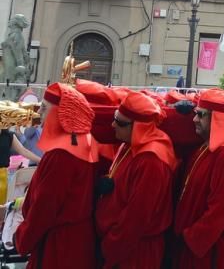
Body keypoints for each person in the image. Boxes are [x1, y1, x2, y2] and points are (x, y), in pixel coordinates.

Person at [15, 83, 99, 268]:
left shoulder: (61, 154)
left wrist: (21, 239)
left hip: (58, 246)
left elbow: (45, 207)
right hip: (79, 239)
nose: (40, 114)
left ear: (62, 112)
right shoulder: (86, 140)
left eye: (44, 108)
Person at [96, 91, 177, 268]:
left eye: (119, 122)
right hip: (124, 245)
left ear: (138, 127)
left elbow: (137, 217)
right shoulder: (130, 144)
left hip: (135, 250)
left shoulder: (151, 160)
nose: (112, 125)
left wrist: (111, 246)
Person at [172, 89, 224, 268]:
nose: (194, 119)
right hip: (203, 245)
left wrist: (192, 236)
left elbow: (222, 208)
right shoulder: (207, 148)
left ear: (218, 118)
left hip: (214, 248)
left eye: (200, 115)